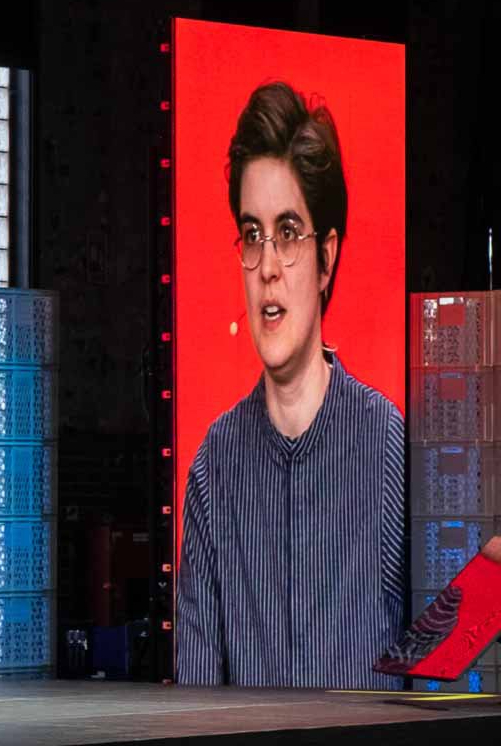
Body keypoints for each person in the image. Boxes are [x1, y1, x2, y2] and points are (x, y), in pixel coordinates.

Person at [175, 82, 405, 688]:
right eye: (253, 236)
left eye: (288, 232)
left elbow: (436, 679)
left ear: (327, 259)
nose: (269, 267)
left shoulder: (386, 446)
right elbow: (195, 701)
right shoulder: (214, 467)